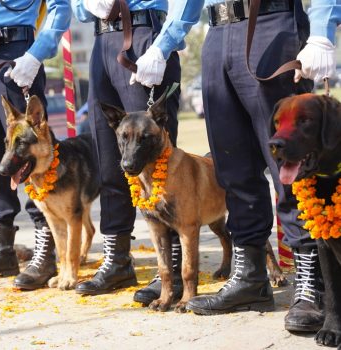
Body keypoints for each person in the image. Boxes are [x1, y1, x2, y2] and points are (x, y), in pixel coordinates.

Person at [131, 0, 340, 331]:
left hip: (272, 22)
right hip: (216, 32)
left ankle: (311, 279)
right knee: (233, 167)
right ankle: (250, 277)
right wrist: (163, 45)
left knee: (290, 164)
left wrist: (322, 32)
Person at [0, 0, 71, 287]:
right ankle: (1, 248)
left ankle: (46, 249)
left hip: (21, 55)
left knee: (32, 156)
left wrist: (36, 55)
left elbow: (60, 7)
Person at [71, 0, 183, 297]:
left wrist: (163, 46)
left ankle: (171, 267)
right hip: (101, 40)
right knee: (109, 160)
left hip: (145, 34)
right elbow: (79, 11)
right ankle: (117, 261)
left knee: (155, 163)